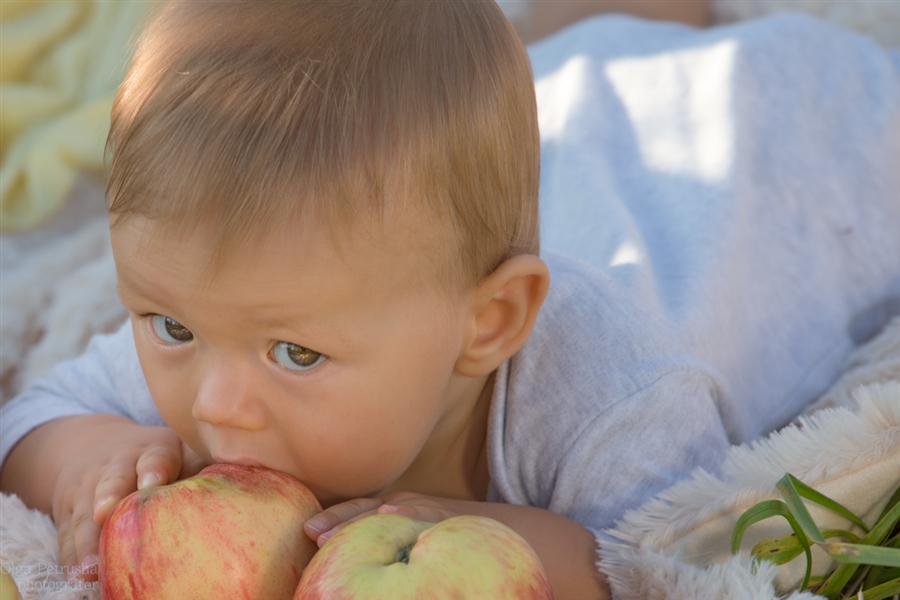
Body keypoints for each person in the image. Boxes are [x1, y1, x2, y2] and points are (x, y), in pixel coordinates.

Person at [2, 1, 899, 599]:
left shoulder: (619, 392)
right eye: (168, 328)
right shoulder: (231, 314)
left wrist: (475, 537)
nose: (211, 405)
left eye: (297, 355)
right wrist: (89, 455)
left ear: (491, 322)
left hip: (804, 143)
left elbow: (664, 555)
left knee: (655, 90)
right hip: (581, 135)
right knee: (563, 82)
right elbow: (30, 416)